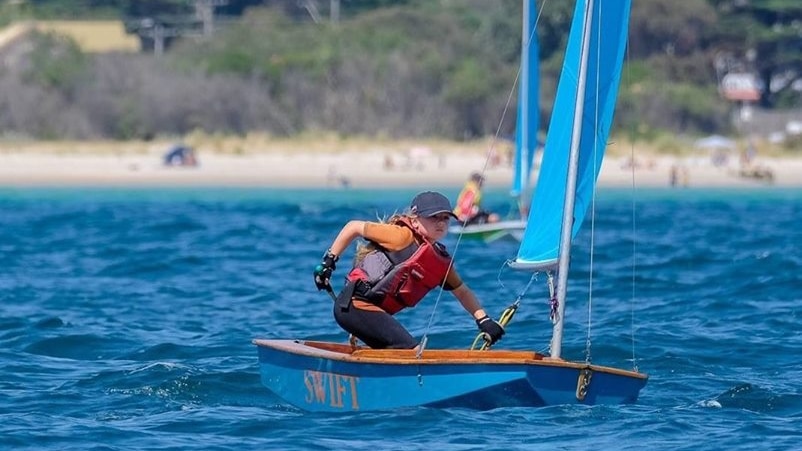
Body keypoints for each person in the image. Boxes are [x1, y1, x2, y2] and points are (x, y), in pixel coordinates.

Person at [313, 191, 505, 349]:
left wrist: (484, 320)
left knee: (399, 349)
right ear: (415, 220)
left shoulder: (439, 260)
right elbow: (353, 227)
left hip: (373, 312)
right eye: (433, 217)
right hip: (353, 306)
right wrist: (328, 262)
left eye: (445, 218)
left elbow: (462, 291)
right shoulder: (401, 236)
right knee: (409, 349)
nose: (440, 223)